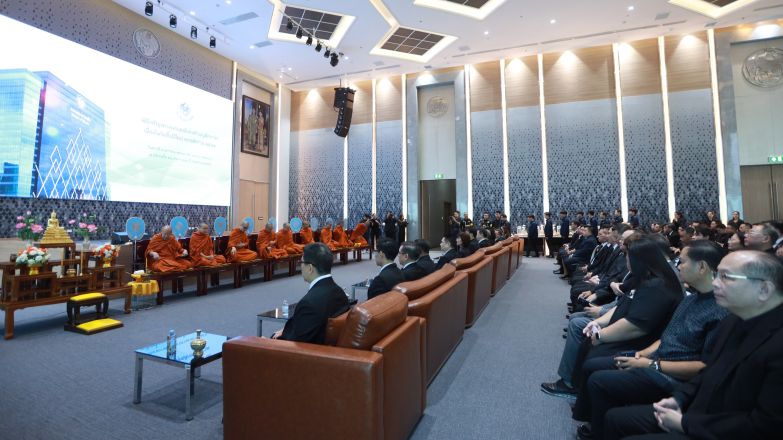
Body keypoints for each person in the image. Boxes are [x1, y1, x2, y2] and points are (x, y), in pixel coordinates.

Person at [604, 251, 783, 440]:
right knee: (616, 419)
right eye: (717, 275)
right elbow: (708, 371)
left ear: (764, 289)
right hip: (699, 411)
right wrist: (679, 399)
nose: (715, 283)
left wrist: (685, 423)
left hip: (726, 429)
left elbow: (765, 426)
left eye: (726, 277)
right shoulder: (734, 320)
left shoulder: (776, 343)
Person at [574, 241, 729, 440]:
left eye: (682, 262)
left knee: (600, 381)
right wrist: (641, 355)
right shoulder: (691, 299)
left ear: (701, 267)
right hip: (656, 359)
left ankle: (598, 430)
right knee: (595, 363)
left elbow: (704, 367)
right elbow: (666, 337)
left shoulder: (720, 311)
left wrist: (651, 364)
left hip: (673, 376)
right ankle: (595, 424)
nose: (677, 266)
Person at [271, 243, 351, 344]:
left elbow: (295, 343)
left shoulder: (309, 304)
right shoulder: (340, 292)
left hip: (307, 351)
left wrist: (268, 343)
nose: (300, 266)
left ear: (310, 268)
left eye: (301, 262)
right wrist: (286, 330)